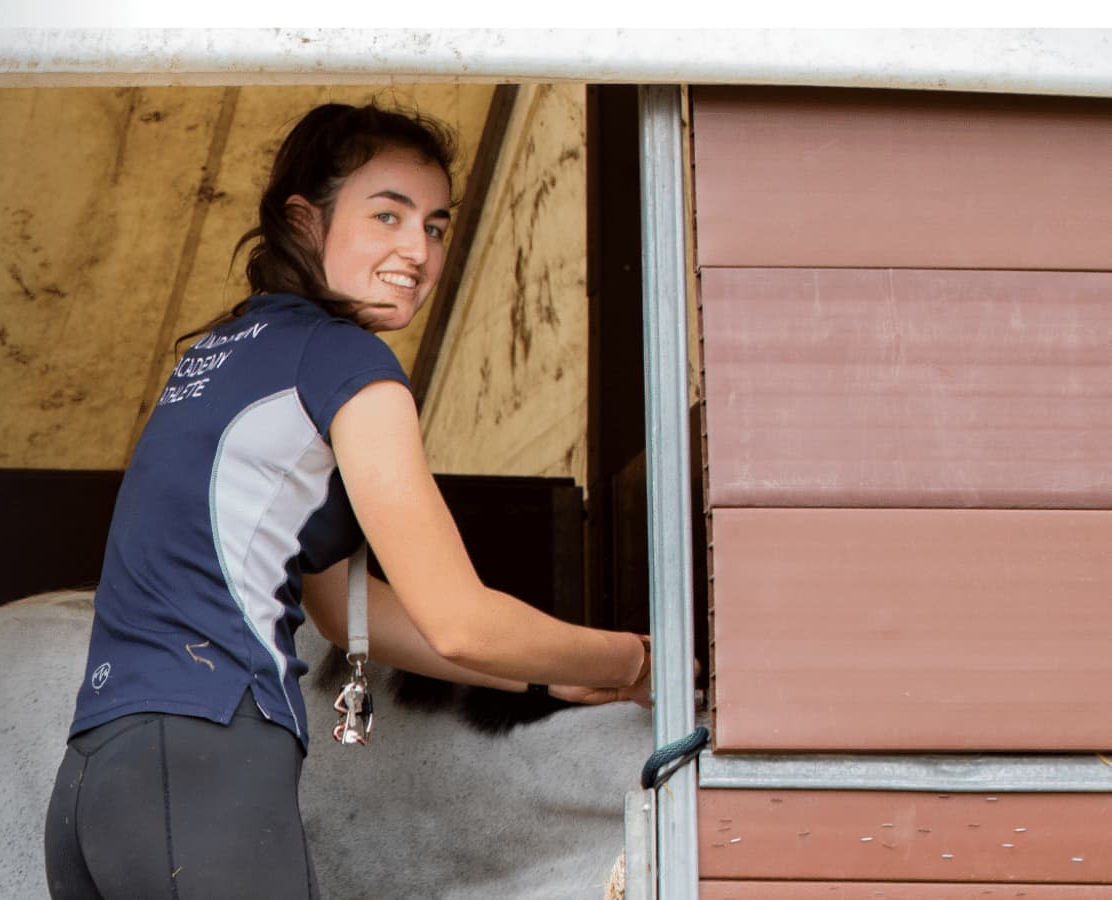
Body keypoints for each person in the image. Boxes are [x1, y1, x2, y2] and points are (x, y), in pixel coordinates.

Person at [40, 102, 656, 900]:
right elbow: (460, 623)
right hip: (204, 769)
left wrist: (547, 675)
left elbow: (344, 611)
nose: (418, 251)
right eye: (387, 215)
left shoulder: (221, 357)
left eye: (434, 227)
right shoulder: (346, 364)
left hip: (94, 787)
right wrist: (633, 660)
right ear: (304, 221)